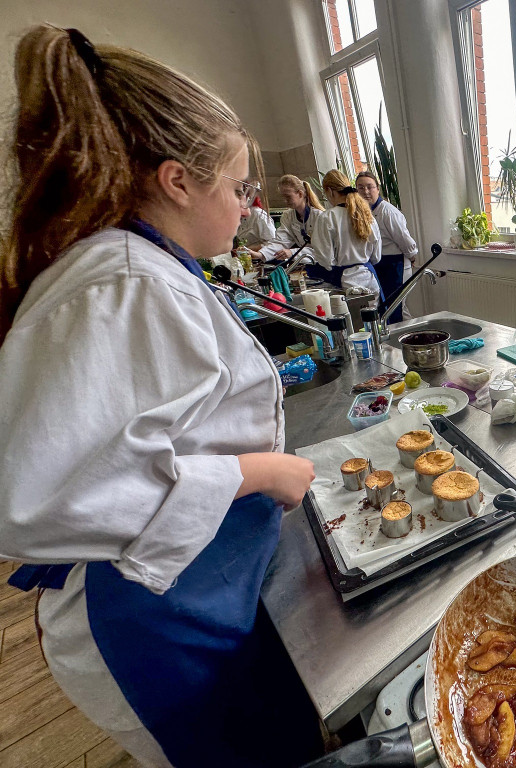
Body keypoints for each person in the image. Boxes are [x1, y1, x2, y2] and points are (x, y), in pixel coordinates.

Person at [0, 26, 322, 768]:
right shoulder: (124, 282)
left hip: (195, 589)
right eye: (239, 189)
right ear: (178, 181)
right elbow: (33, 498)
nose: (248, 207)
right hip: (145, 619)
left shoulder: (145, 265)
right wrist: (259, 472)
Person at [356, 171, 418, 321]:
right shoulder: (363, 213)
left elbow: (405, 240)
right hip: (379, 265)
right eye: (361, 187)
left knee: (396, 307)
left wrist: (413, 257)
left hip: (396, 265)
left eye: (370, 187)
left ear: (377, 188)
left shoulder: (388, 212)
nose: (366, 191)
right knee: (386, 308)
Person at [310, 169, 382, 295]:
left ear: (330, 191)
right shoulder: (366, 215)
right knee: (375, 314)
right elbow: (376, 256)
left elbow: (325, 259)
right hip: (370, 279)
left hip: (346, 282)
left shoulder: (327, 217)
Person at [273, 173, 324, 265]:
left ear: (300, 194)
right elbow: (281, 240)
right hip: (304, 262)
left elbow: (321, 251)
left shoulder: (319, 216)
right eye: (283, 197)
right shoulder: (288, 215)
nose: (285, 201)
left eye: (288, 197)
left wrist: (292, 252)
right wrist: (261, 254)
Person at [236, 193, 278, 259]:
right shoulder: (238, 216)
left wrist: (249, 249)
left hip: (266, 260)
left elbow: (273, 244)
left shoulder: (259, 215)